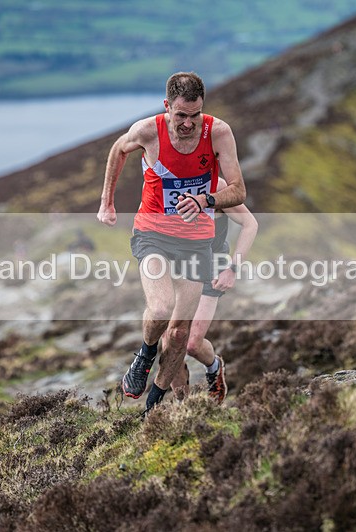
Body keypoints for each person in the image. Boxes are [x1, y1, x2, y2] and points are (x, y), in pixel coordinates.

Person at [97, 71, 246, 413]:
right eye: (181, 116)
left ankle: (153, 406)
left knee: (180, 335)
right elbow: (118, 150)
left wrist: (206, 201)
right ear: (167, 107)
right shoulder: (149, 131)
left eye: (195, 116)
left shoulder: (219, 133)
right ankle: (145, 355)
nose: (188, 124)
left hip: (196, 243)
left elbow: (238, 190)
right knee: (161, 309)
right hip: (152, 235)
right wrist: (107, 202)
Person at [169, 177, 258, 404]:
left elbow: (250, 224)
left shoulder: (216, 186)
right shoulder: (164, 180)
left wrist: (233, 268)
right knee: (171, 344)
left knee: (191, 344)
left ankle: (214, 367)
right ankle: (182, 410)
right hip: (177, 268)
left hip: (211, 267)